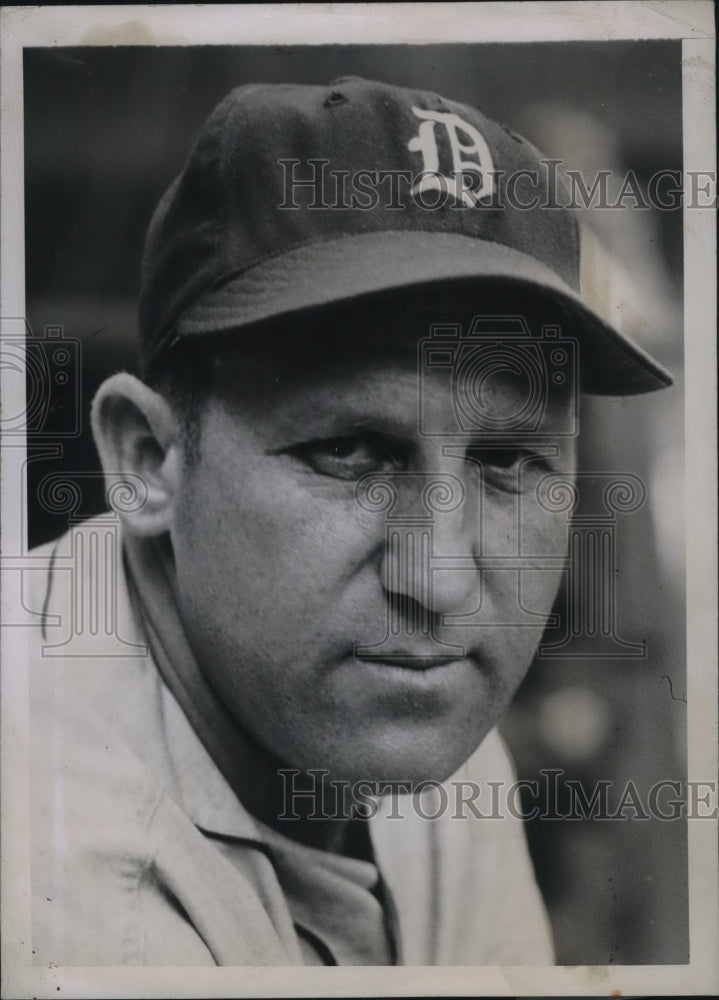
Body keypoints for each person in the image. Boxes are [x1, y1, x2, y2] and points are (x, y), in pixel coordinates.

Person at [29, 76, 672, 967]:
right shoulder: (53, 863)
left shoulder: (396, 699)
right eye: (349, 451)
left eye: (507, 461)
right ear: (147, 460)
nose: (440, 579)